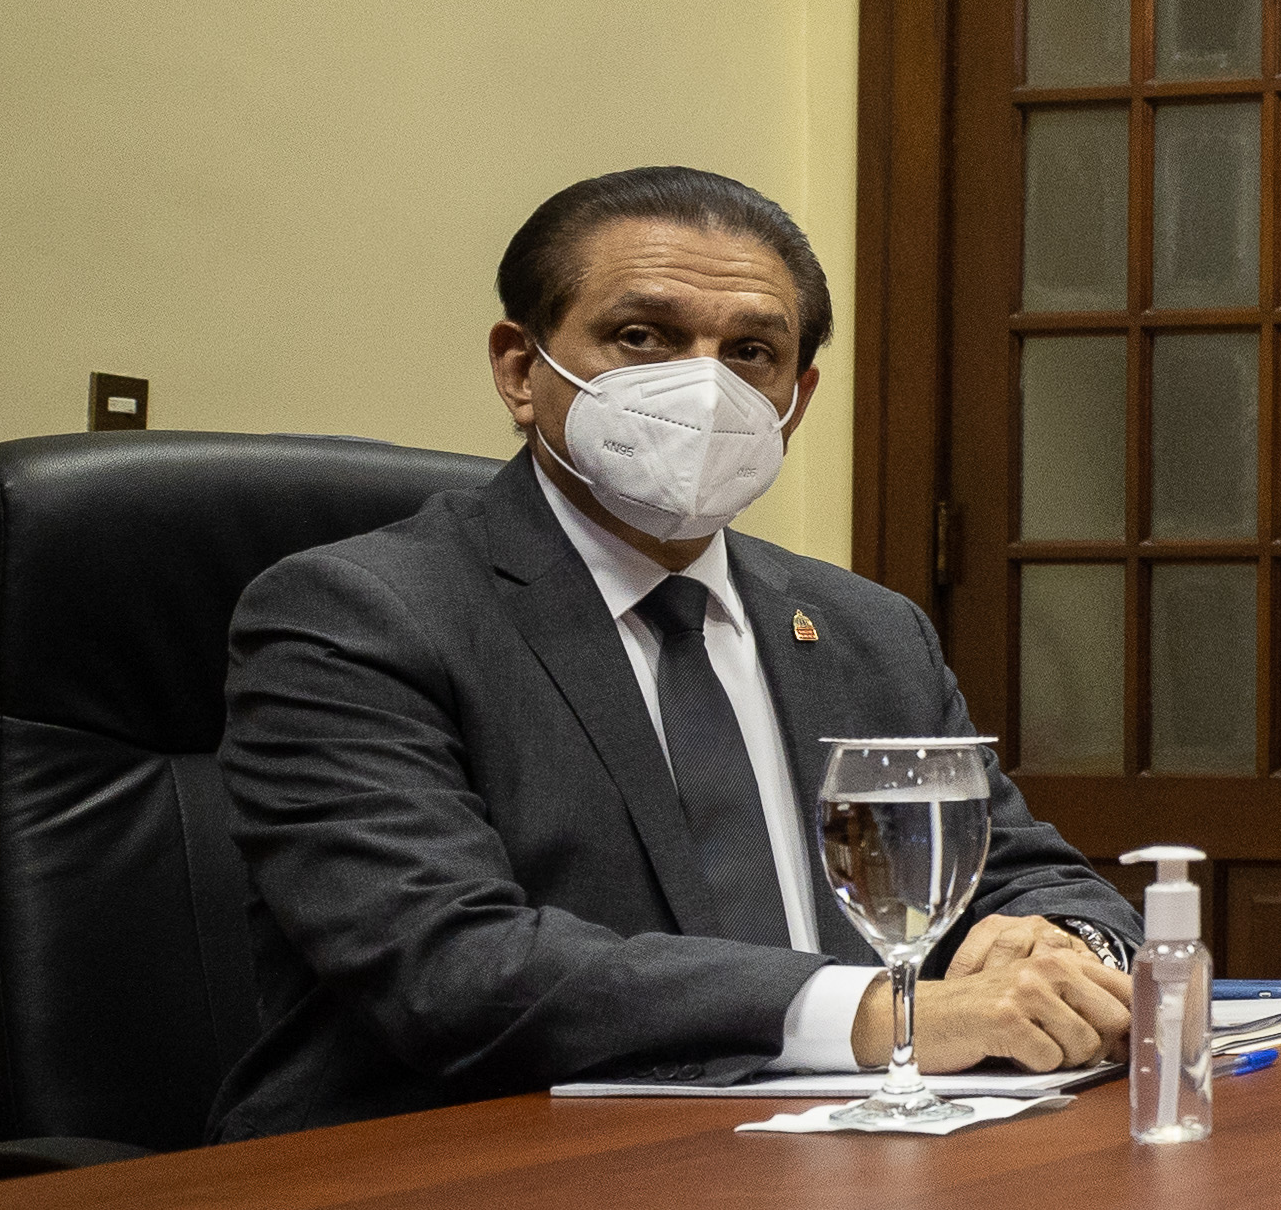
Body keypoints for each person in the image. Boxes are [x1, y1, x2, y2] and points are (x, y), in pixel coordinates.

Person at [212, 166, 1143, 1140]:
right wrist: (881, 1015)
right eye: (642, 336)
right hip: (466, 1173)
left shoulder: (867, 631)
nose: (704, 385)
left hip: (837, 1159)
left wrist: (1058, 950)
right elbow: (450, 965)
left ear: (796, 398)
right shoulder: (357, 615)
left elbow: (1036, 877)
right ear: (520, 369)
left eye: (751, 351)